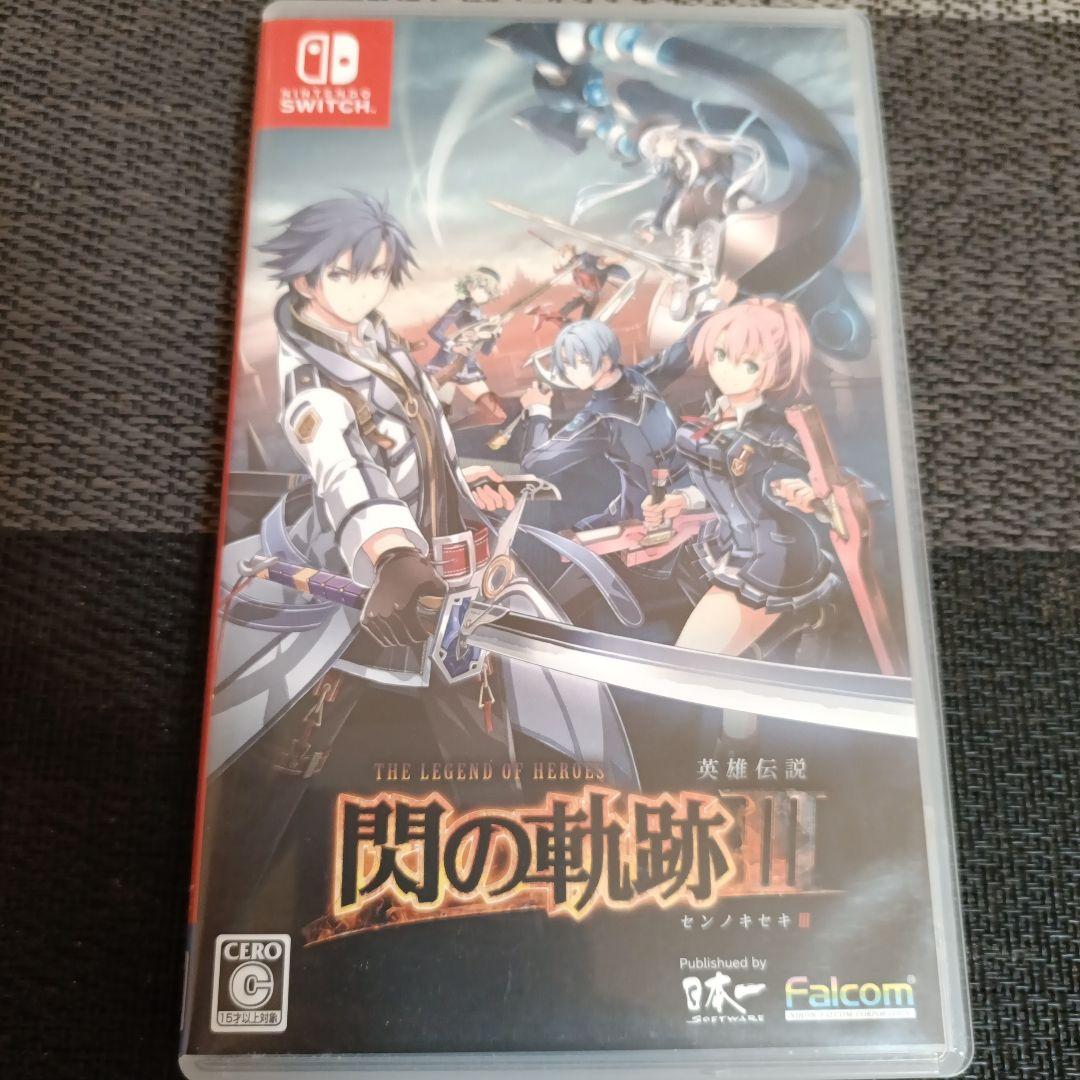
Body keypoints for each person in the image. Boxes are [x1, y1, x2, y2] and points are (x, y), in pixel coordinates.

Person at [642, 298, 842, 658]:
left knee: (694, 660)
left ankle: (810, 615)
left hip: (776, 552)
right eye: (721, 355)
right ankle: (804, 619)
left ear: (776, 371)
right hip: (728, 543)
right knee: (712, 659)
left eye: (749, 364)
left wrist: (814, 495)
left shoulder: (773, 430)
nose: (727, 370)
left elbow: (840, 483)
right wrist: (681, 500)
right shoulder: (711, 414)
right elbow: (717, 482)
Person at [427, 267, 508, 426]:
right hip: (446, 364)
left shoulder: (481, 316)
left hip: (468, 367)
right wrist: (453, 346)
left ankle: (457, 429)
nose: (481, 292)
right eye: (479, 286)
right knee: (436, 417)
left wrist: (495, 333)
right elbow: (435, 331)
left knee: (496, 414)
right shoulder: (460, 306)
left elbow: (485, 350)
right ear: (469, 285)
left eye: (487, 290)